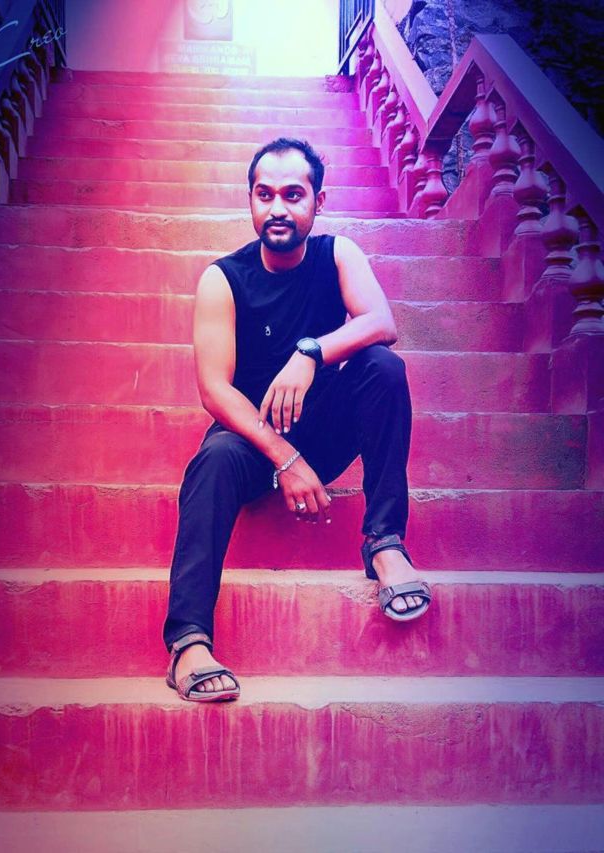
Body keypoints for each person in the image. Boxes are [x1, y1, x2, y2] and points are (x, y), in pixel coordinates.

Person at [163, 137, 432, 702]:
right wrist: (285, 458)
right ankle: (189, 643)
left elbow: (382, 322)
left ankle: (385, 543)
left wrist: (310, 353)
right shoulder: (223, 278)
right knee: (212, 459)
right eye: (265, 195)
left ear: (318, 201)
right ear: (251, 201)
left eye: (293, 194)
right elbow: (214, 390)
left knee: (383, 368)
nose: (278, 208)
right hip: (254, 444)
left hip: (326, 428)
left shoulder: (337, 254)